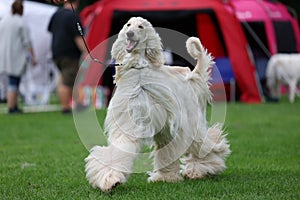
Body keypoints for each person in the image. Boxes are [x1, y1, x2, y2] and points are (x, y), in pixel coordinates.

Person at [48, 0, 87, 114]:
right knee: (67, 82)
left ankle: (78, 105)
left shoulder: (56, 14)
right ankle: (65, 108)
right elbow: (78, 37)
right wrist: (86, 51)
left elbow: (51, 31)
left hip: (56, 52)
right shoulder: (73, 16)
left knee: (66, 79)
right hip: (69, 54)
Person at [0, 0, 37, 114]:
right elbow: (27, 42)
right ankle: (12, 107)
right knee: (13, 82)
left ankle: (14, 105)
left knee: (11, 81)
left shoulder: (3, 21)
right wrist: (33, 57)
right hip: (16, 57)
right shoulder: (21, 22)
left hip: (4, 56)